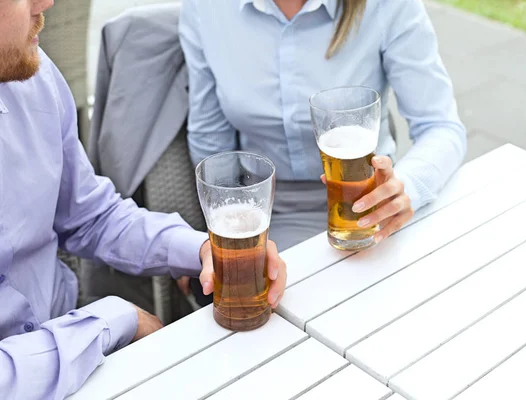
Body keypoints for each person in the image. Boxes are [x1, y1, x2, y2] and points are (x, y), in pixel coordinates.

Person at [0, 1, 287, 399]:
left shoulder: (36, 78)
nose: (46, 2)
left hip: (77, 352)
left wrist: (203, 248)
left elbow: (90, 217)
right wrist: (108, 322)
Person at [179, 0, 467, 254]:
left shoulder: (387, 6)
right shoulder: (206, 8)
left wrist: (405, 188)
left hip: (373, 211)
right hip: (265, 217)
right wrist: (209, 237)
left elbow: (440, 126)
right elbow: (210, 142)